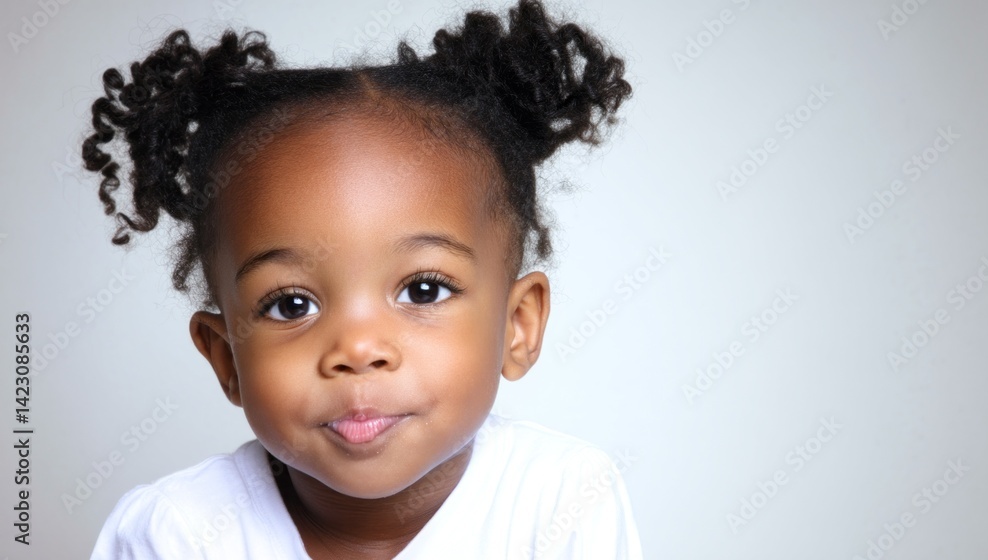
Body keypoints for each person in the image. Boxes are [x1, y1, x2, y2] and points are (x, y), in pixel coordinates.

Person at [84, 0, 640, 557]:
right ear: (226, 355)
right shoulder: (176, 532)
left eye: (423, 290)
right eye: (291, 305)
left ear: (517, 325)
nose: (357, 349)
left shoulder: (563, 501)